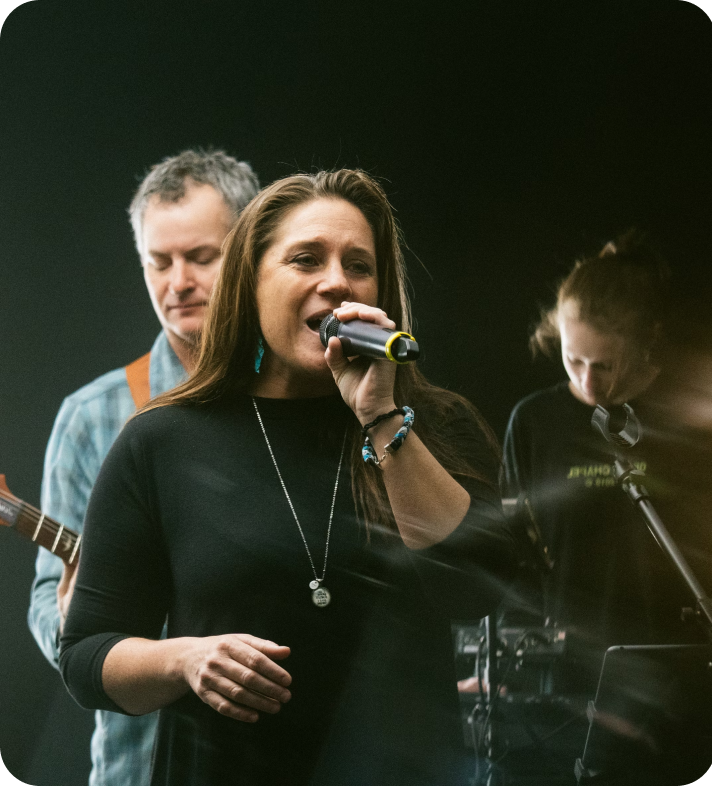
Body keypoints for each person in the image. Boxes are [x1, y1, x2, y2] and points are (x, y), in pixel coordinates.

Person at [58, 169, 516, 786]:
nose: (336, 281)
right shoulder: (162, 440)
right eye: (306, 259)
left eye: (359, 264)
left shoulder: (434, 423)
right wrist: (184, 659)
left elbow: (476, 592)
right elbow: (87, 657)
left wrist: (380, 416)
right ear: (248, 282)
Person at [28, 148, 259, 786]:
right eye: (159, 262)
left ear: (249, 250)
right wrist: (70, 623)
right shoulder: (90, 417)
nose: (177, 282)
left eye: (201, 257)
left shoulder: (301, 397)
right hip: (141, 763)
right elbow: (47, 597)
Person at [501, 233, 712, 782]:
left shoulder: (687, 416)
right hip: (575, 685)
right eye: (574, 361)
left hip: (680, 678)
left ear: (647, 345)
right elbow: (516, 556)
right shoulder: (533, 422)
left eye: (606, 365)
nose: (589, 383)